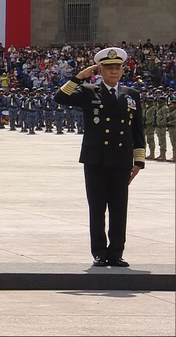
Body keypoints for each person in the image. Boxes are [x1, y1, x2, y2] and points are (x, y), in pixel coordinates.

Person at [54, 47, 145, 268]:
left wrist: (139, 161)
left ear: (122, 70)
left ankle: (116, 253)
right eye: (108, 68)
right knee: (97, 208)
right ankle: (99, 252)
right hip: (96, 159)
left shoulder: (131, 95)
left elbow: (137, 129)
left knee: (119, 208)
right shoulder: (89, 91)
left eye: (117, 68)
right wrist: (79, 77)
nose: (114, 71)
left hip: (121, 159)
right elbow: (60, 97)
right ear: (100, 71)